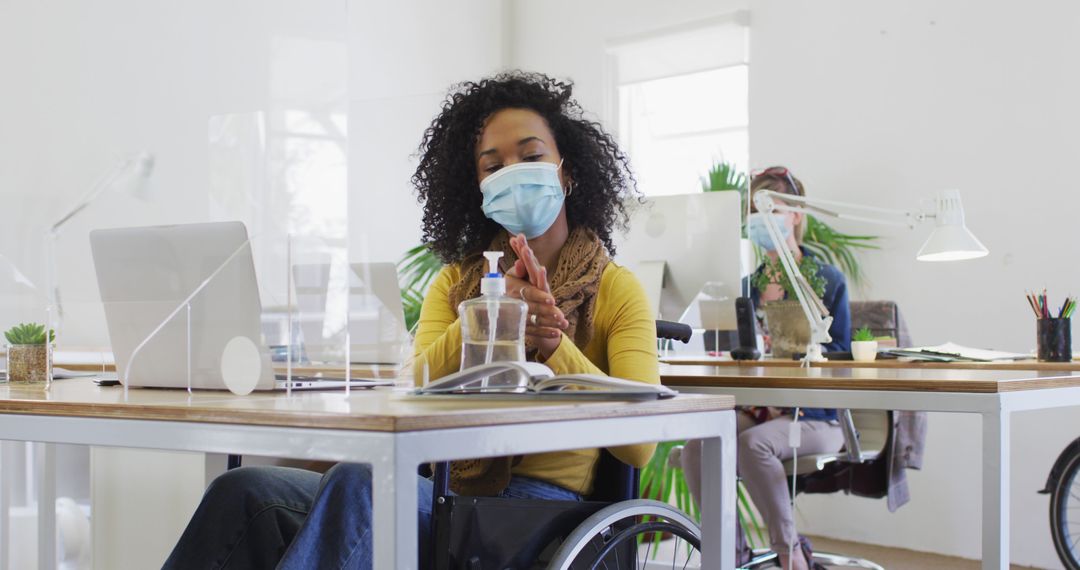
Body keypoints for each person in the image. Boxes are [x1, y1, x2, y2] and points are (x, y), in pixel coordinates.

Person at [162, 71, 659, 570]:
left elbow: (640, 446)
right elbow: (415, 391)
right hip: (446, 491)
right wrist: (485, 319)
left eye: (531, 157)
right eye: (492, 166)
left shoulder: (616, 290)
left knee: (362, 484)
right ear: (479, 188)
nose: (513, 171)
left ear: (567, 173)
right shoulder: (456, 284)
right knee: (245, 490)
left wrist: (553, 342)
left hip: (541, 511)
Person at [682, 167, 850, 570]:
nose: (763, 220)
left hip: (818, 417)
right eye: (755, 213)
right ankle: (730, 554)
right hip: (759, 410)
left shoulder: (826, 279)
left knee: (752, 444)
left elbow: (842, 354)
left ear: (795, 215)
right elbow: (729, 351)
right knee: (696, 449)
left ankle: (790, 553)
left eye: (772, 209)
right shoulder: (745, 286)